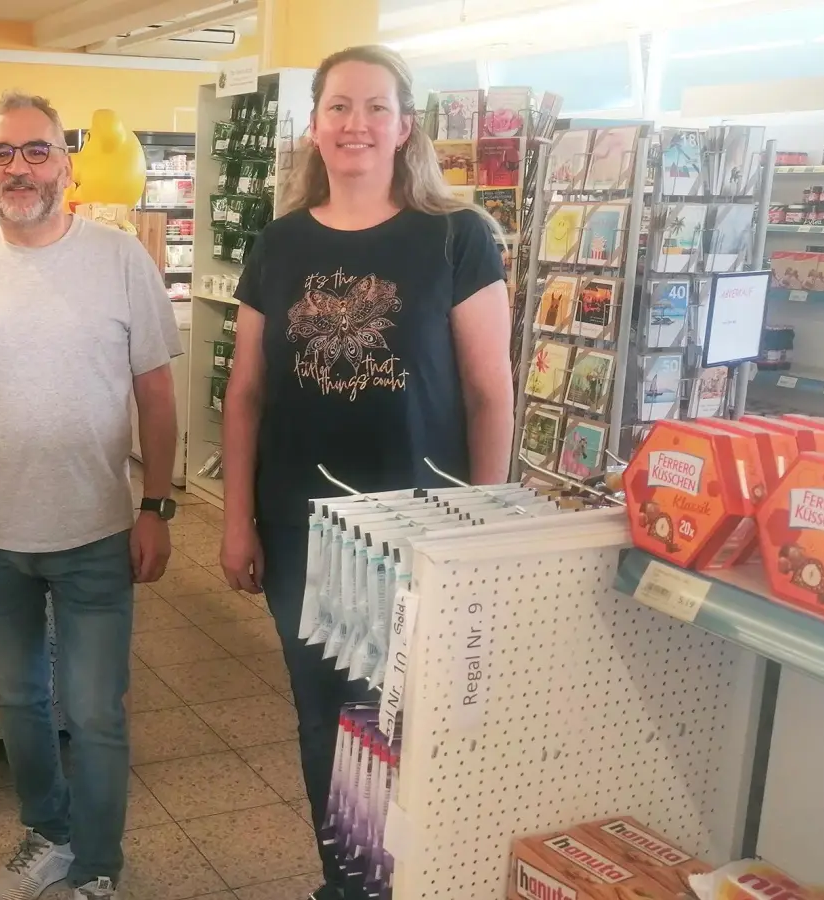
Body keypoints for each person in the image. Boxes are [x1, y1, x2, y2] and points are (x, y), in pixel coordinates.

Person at [218, 45, 513, 900]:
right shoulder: (278, 244)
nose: (356, 124)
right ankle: (347, 881)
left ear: (405, 125)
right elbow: (244, 394)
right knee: (324, 721)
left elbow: (491, 393)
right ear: (314, 127)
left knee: (411, 723)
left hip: (421, 538)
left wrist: (483, 530)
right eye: (339, 107)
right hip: (300, 531)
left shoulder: (457, 237)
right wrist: (236, 520)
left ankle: (415, 881)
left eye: (376, 107)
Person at [0, 91, 183, 900]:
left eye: (35, 151)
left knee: (95, 711)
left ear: (64, 164)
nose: (18, 168)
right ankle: (49, 831)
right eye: (1, 154)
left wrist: (157, 505)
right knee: (22, 700)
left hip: (98, 528)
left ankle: (99, 864)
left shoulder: (119, 258)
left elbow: (157, 394)